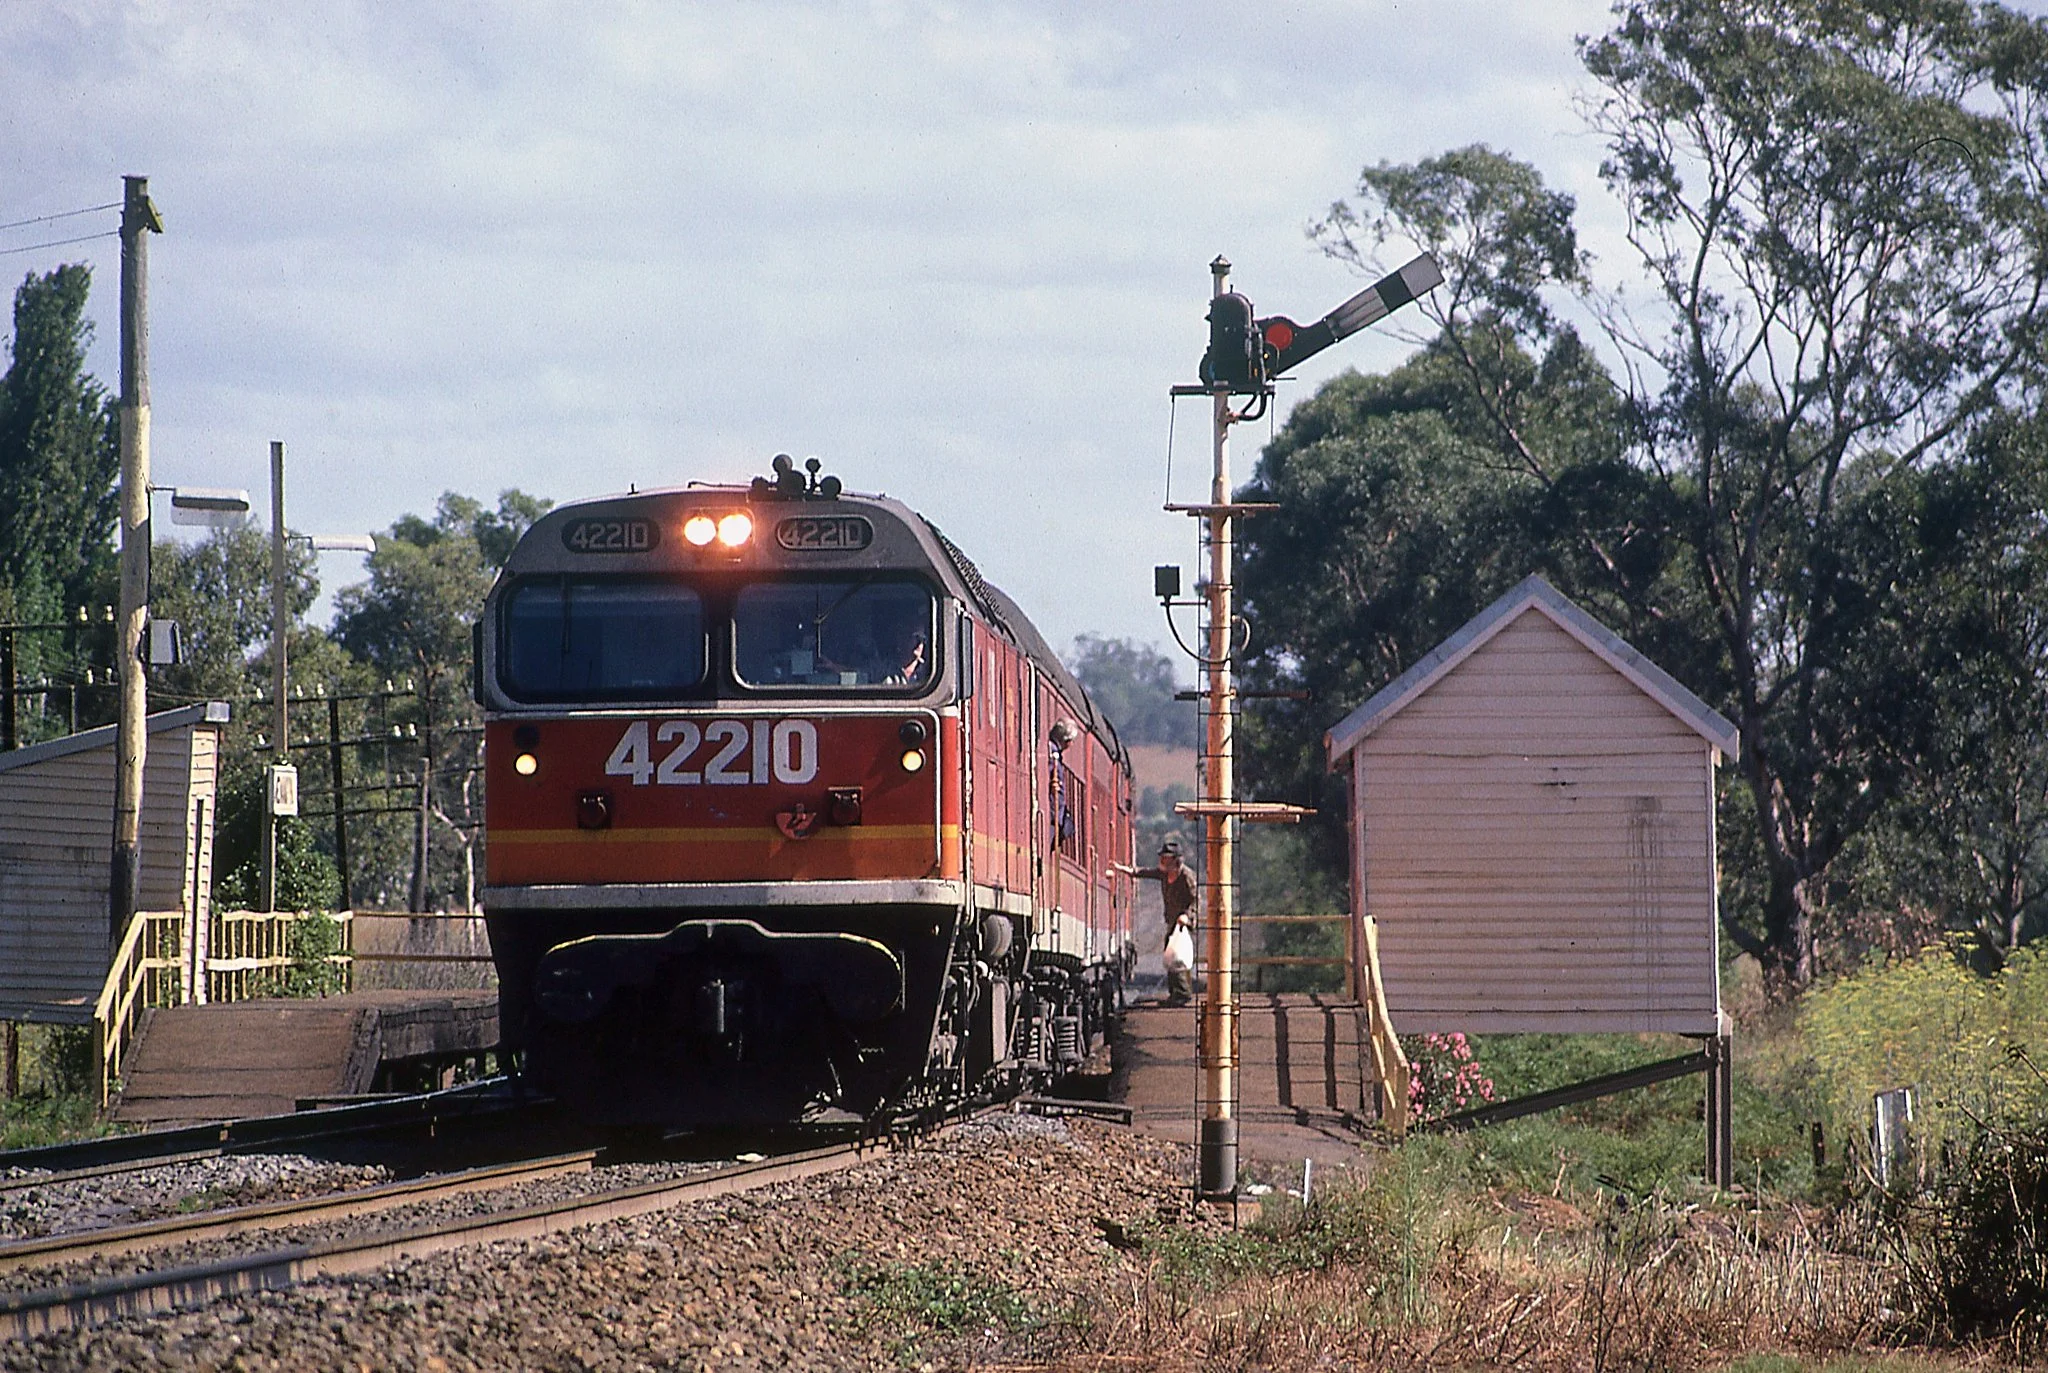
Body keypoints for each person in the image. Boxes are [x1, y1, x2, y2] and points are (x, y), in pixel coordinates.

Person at [1117, 840, 1197, 1005]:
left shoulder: (1186, 876)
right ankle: (1176, 993)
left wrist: (1187, 916)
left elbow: (1195, 900)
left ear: (1175, 860)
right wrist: (1127, 871)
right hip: (1172, 921)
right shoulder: (1164, 874)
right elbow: (1146, 872)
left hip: (1182, 923)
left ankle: (1182, 994)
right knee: (1170, 955)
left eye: (1165, 858)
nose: (1161, 861)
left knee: (1177, 957)